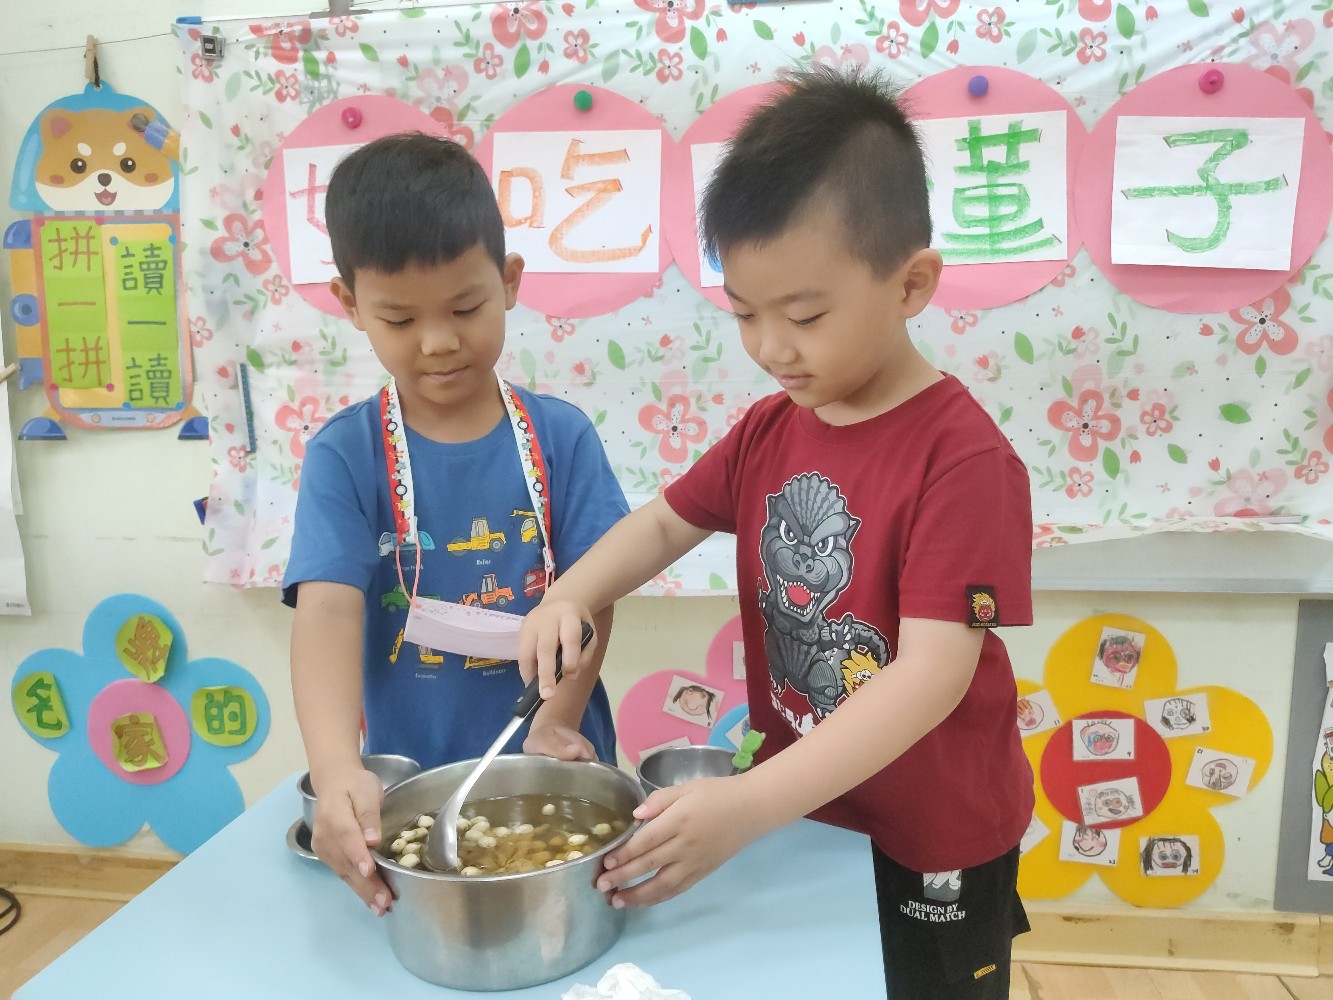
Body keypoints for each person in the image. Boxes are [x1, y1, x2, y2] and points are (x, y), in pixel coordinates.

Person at [518, 65, 1035, 1000]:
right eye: (745, 315)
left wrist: (747, 802)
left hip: (933, 838)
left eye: (803, 316)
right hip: (807, 810)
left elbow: (931, 675)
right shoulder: (770, 429)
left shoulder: (962, 461)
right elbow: (664, 523)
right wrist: (573, 591)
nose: (770, 347)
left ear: (911, 283)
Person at [284, 133, 628, 918]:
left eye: (465, 308)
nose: (438, 341)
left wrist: (556, 722)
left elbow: (595, 591)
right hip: (409, 781)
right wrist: (334, 768)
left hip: (556, 766)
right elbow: (326, 613)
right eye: (399, 317)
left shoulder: (560, 438)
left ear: (509, 282)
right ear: (349, 304)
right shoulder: (344, 455)